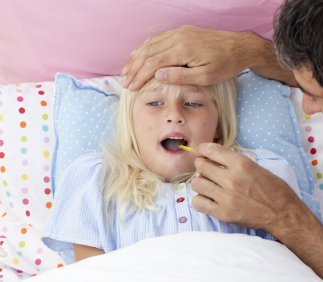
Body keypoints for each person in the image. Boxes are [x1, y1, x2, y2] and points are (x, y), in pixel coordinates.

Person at [122, 1, 323, 282]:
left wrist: (286, 215)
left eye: (318, 96)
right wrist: (250, 51)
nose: (307, 107)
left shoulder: (270, 168)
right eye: (155, 103)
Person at [42, 77, 302, 262]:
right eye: (155, 103)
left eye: (193, 103)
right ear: (131, 124)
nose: (174, 115)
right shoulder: (97, 182)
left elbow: (286, 266)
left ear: (219, 127)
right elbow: (90, 275)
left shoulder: (252, 175)